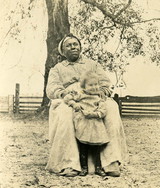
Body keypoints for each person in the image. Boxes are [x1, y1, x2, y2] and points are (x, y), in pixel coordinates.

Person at [46, 33, 127, 177]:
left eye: (75, 44)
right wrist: (64, 94)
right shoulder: (57, 69)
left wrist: (102, 91)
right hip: (70, 99)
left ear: (80, 47)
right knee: (65, 113)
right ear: (63, 51)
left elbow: (104, 81)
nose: (73, 47)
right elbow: (52, 87)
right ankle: (69, 163)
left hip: (93, 96)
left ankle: (110, 161)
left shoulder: (92, 64)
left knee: (112, 108)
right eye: (68, 45)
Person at [63, 71, 110, 176]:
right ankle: (84, 167)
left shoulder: (99, 98)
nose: (94, 87)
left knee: (96, 147)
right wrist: (74, 104)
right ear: (84, 86)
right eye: (91, 85)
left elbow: (103, 111)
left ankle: (98, 167)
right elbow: (67, 98)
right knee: (83, 146)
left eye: (96, 84)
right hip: (84, 124)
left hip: (96, 125)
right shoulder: (80, 95)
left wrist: (95, 114)